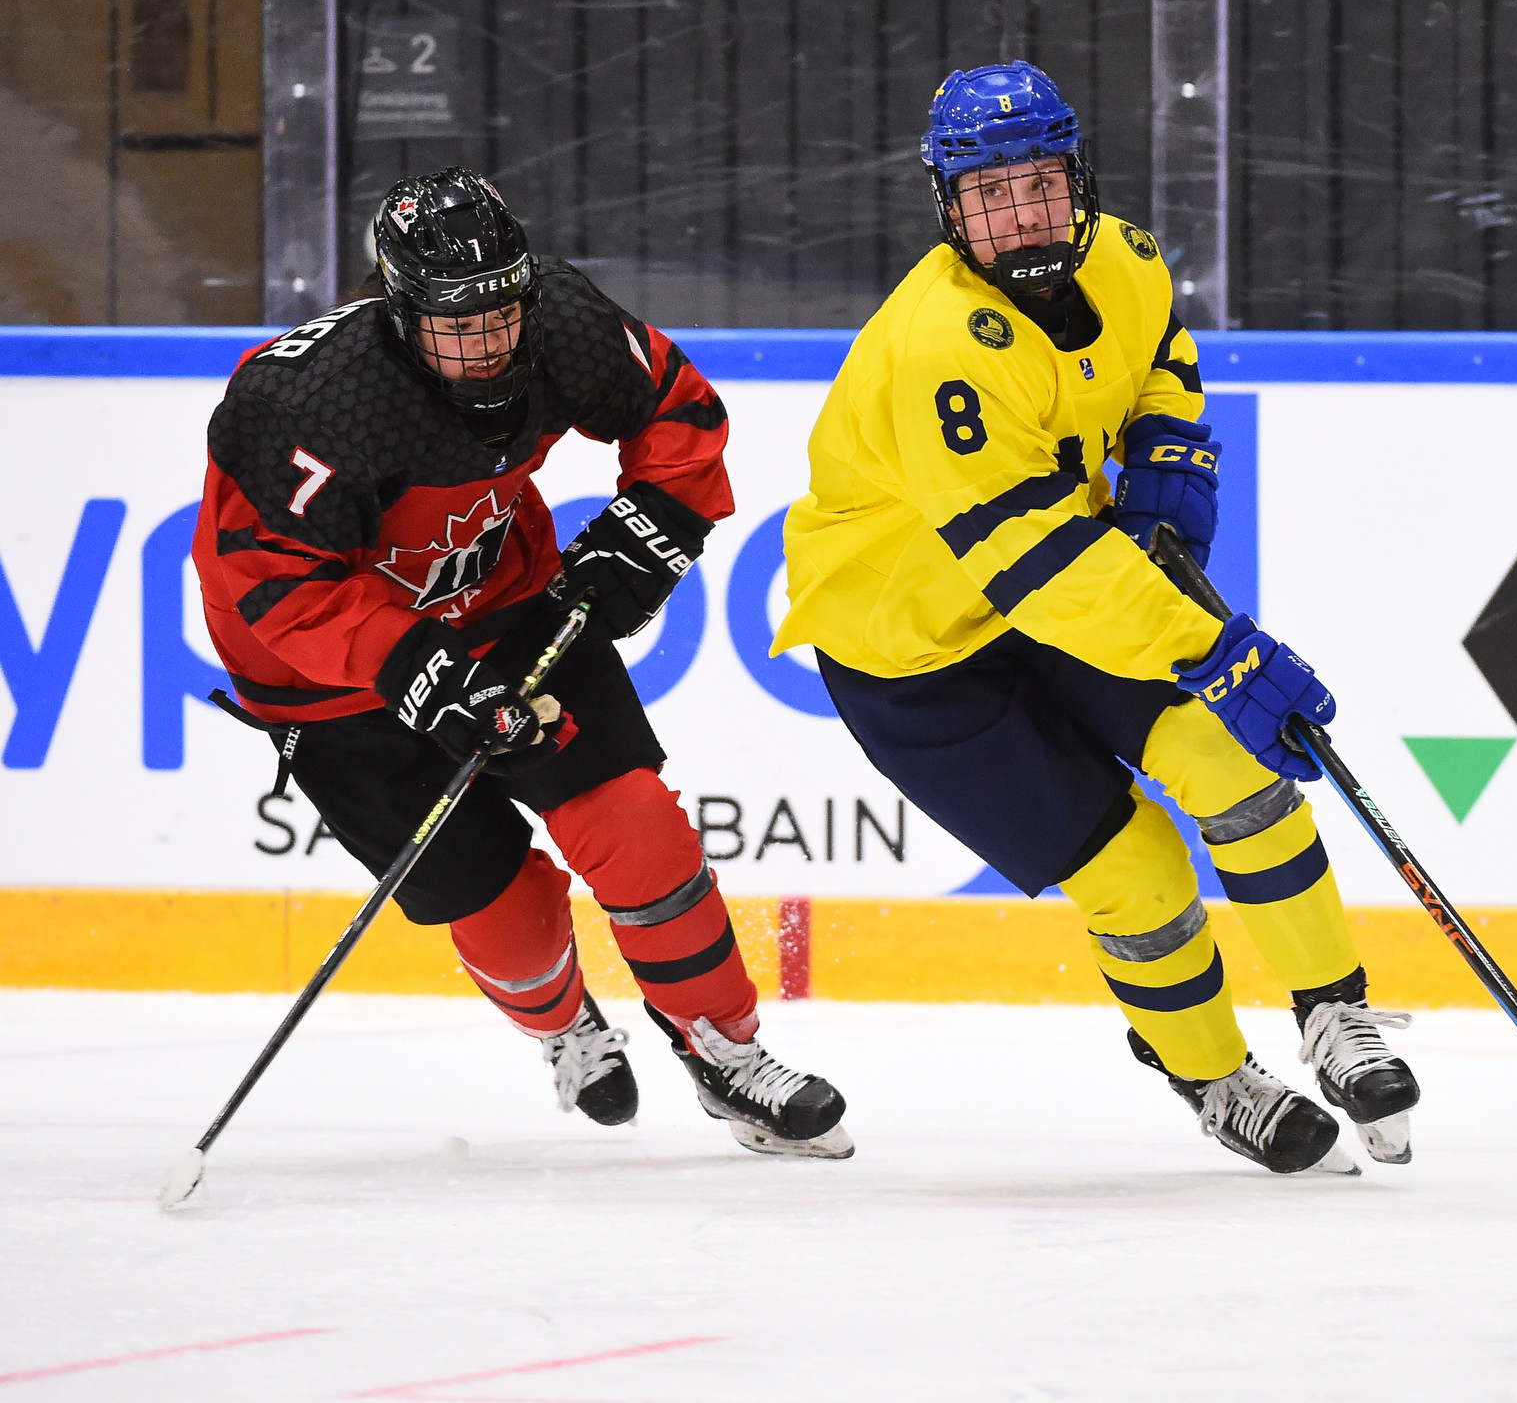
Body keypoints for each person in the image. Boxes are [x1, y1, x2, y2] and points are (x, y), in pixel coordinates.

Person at [774, 63, 1419, 1174]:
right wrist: (1215, 647)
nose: (1018, 214)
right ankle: (1214, 1078)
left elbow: (1160, 363)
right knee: (1137, 872)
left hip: (1053, 597)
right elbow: (1038, 562)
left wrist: (1168, 461)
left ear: (1077, 178)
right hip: (916, 656)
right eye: (987, 194)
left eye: (1037, 184)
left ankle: (1333, 1011)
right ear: (947, 208)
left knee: (1231, 764)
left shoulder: (1124, 257)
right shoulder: (939, 349)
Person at [193, 167, 851, 1158]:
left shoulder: (560, 321)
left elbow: (676, 405)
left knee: (634, 824)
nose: (485, 343)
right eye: (454, 325)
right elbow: (269, 583)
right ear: (396, 310)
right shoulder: (305, 402)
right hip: (326, 680)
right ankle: (561, 1027)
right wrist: (411, 664)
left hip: (504, 607)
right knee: (490, 896)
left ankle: (725, 1053)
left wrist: (659, 518)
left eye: (500, 310)